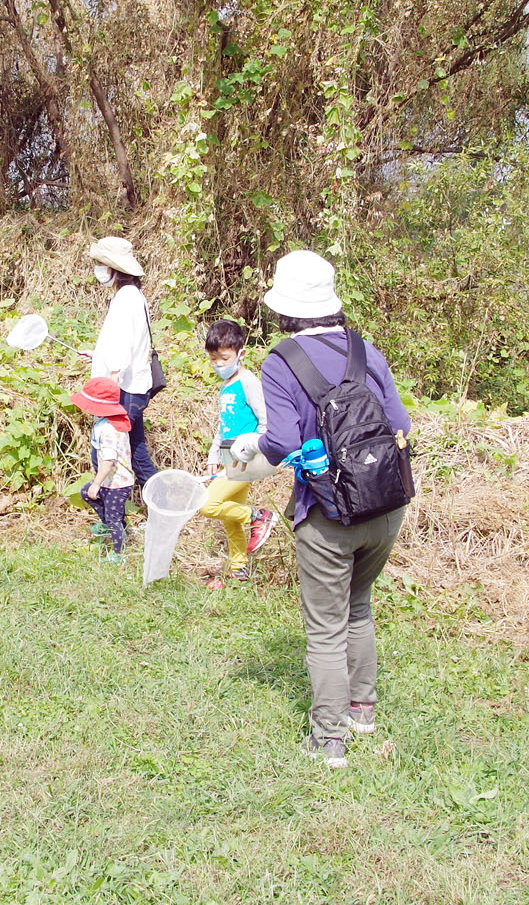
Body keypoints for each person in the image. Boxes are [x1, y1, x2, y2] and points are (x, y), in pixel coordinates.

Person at [256, 250, 412, 771]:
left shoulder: (281, 362)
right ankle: (362, 710)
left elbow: (278, 442)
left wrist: (248, 446)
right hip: (386, 506)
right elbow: (400, 424)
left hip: (328, 514)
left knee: (325, 626)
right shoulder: (365, 350)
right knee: (359, 606)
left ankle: (328, 739)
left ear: (286, 309)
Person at [199, 320, 275, 585]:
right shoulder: (226, 385)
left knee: (208, 505)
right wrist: (213, 455)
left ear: (240, 353)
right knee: (230, 515)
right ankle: (238, 568)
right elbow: (223, 425)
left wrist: (256, 449)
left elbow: (266, 421)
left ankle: (260, 516)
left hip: (246, 458)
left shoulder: (248, 381)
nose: (218, 364)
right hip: (228, 456)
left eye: (224, 358)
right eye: (213, 359)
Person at [85, 235, 159, 491]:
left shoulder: (126, 297)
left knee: (107, 451)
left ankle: (113, 519)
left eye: (101, 264)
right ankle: (162, 503)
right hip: (132, 386)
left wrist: (111, 380)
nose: (99, 269)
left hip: (123, 389)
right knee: (137, 451)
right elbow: (125, 342)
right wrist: (97, 356)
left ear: (114, 269)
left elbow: (123, 344)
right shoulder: (132, 295)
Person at [71, 375, 134, 561]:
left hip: (117, 483)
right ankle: (108, 524)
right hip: (111, 480)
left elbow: (108, 461)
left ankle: (118, 552)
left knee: (115, 518)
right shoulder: (110, 422)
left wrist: (97, 483)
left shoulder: (109, 430)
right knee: (85, 493)